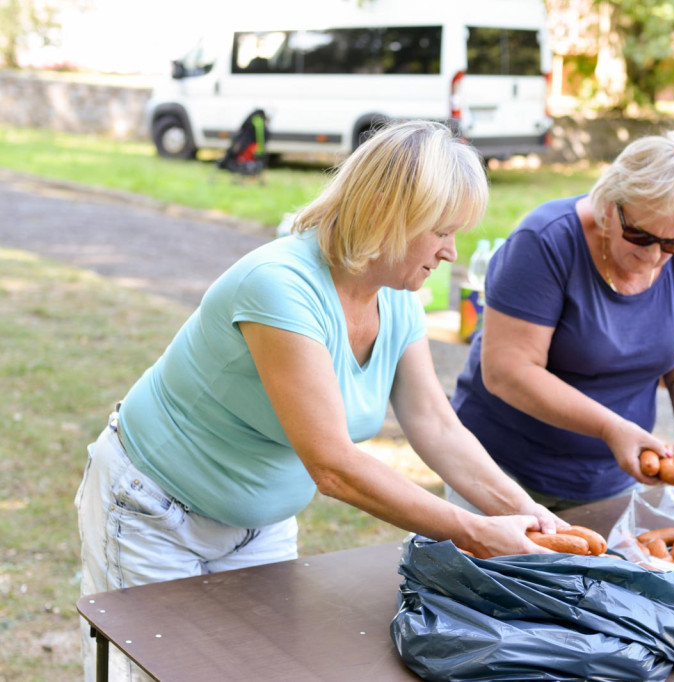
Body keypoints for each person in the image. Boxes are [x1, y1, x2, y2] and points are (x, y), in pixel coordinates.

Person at [74, 120, 563, 681]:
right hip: (153, 512)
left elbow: (437, 427)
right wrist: (472, 531)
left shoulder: (397, 298)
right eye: (441, 231)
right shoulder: (279, 286)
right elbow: (332, 465)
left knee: (261, 670)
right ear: (386, 210)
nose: (451, 253)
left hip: (261, 524)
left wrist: (531, 516)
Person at [449, 131, 674, 512]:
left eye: (672, 243)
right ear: (609, 204)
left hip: (611, 478)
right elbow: (507, 370)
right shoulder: (545, 241)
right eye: (640, 235)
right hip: (501, 470)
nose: (653, 257)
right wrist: (610, 428)